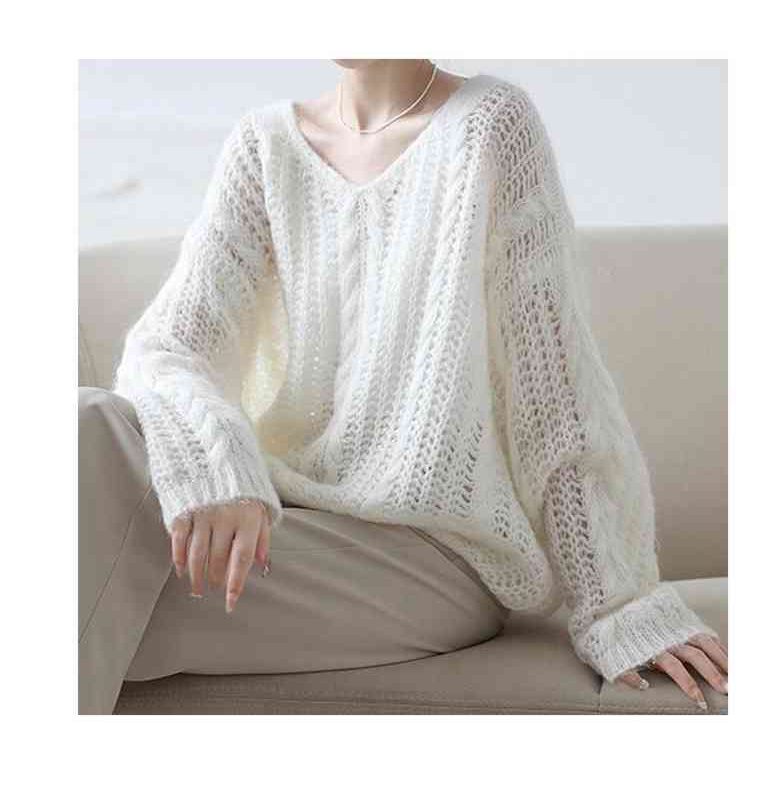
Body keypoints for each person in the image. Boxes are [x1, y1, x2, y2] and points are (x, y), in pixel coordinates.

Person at [79, 59, 727, 714]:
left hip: (431, 556)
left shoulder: (489, 127)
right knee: (91, 425)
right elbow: (168, 349)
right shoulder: (263, 147)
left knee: (85, 582)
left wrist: (618, 603)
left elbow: (552, 397)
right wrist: (220, 466)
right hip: (295, 524)